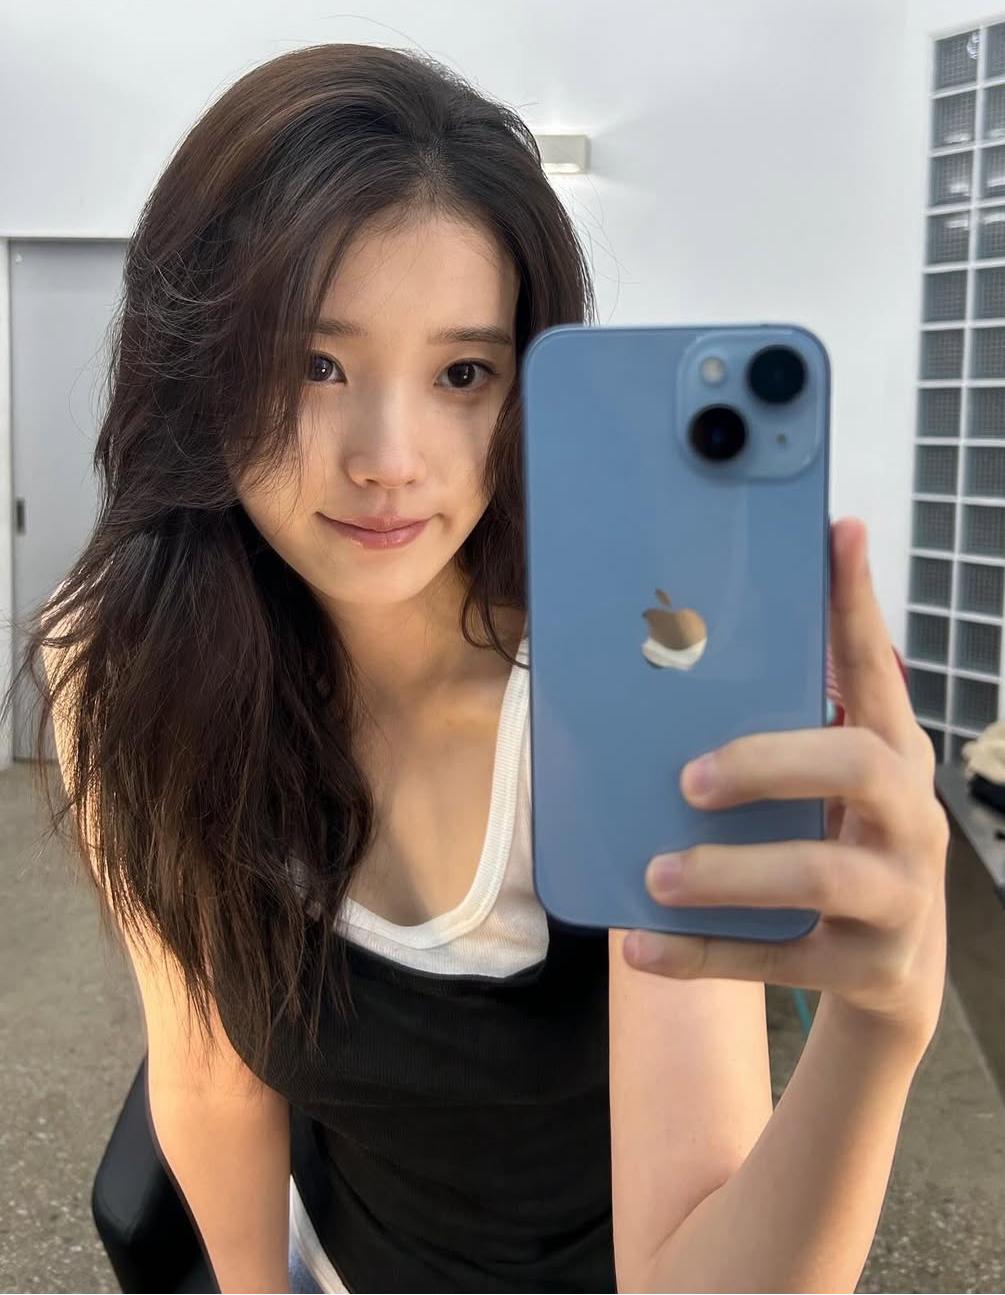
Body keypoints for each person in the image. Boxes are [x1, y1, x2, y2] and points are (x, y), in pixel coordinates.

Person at [7, 41, 951, 1295]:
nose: (390, 458)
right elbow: (209, 1069)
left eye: (463, 373)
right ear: (199, 362)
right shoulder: (119, 666)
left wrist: (880, 1030)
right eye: (313, 363)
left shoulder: (615, 708)